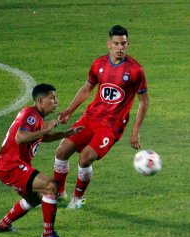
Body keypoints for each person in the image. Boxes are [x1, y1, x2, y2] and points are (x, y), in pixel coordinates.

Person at [54, 25, 149, 208]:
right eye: (116, 44)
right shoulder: (99, 64)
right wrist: (69, 111)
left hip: (111, 126)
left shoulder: (136, 70)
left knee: (85, 158)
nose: (120, 48)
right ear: (109, 44)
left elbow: (144, 102)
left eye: (123, 44)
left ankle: (77, 198)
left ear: (128, 44)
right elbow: (87, 88)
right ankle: (59, 192)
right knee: (62, 151)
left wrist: (135, 131)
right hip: (90, 118)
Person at [0, 84, 83, 237]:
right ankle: (48, 234)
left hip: (12, 165)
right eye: (52, 98)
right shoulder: (31, 115)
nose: (56, 101)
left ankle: (2, 225)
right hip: (11, 166)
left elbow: (42, 137)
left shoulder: (36, 116)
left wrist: (66, 133)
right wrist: (46, 128)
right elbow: (20, 137)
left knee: (36, 197)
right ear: (41, 101)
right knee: (51, 186)